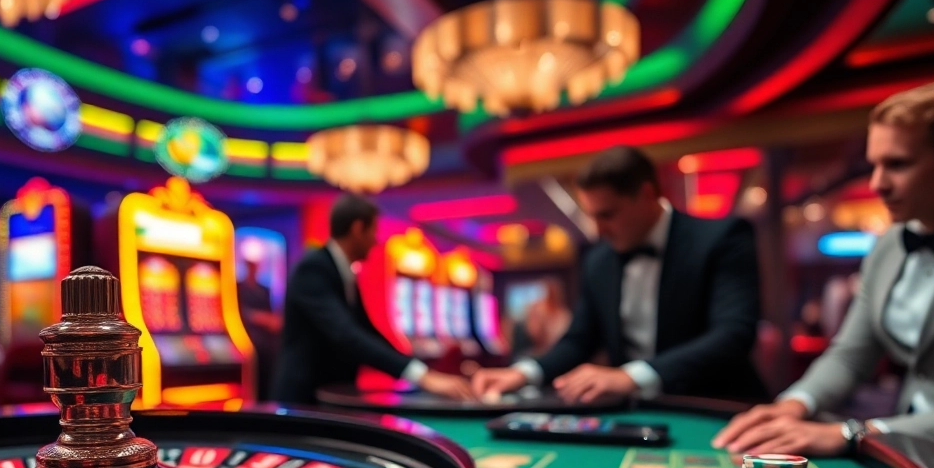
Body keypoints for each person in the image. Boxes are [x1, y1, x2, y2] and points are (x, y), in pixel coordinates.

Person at [714, 82, 934, 468]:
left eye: (897, 164)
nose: (876, 183)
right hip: (913, 457)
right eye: (874, 165)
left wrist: (854, 434)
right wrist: (794, 404)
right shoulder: (890, 242)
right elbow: (851, 356)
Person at [472, 145, 765, 403]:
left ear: (647, 194)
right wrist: (524, 373)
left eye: (607, 215)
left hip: (715, 405)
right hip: (635, 410)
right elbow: (579, 340)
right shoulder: (598, 260)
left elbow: (733, 335)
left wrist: (632, 376)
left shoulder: (722, 237)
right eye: (592, 216)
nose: (598, 230)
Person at [272, 194, 474, 405]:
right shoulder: (313, 268)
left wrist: (422, 372)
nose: (376, 240)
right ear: (358, 228)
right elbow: (346, 334)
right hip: (303, 399)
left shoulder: (344, 272)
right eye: (373, 231)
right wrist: (422, 376)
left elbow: (367, 332)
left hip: (330, 394)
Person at [237, 258, 282, 400]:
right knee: (257, 347)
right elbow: (238, 311)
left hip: (267, 334)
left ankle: (270, 395)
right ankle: (256, 396)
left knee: (275, 348)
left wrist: (272, 320)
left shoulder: (264, 289)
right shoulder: (238, 287)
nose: (253, 270)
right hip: (247, 330)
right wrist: (260, 318)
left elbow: (270, 312)